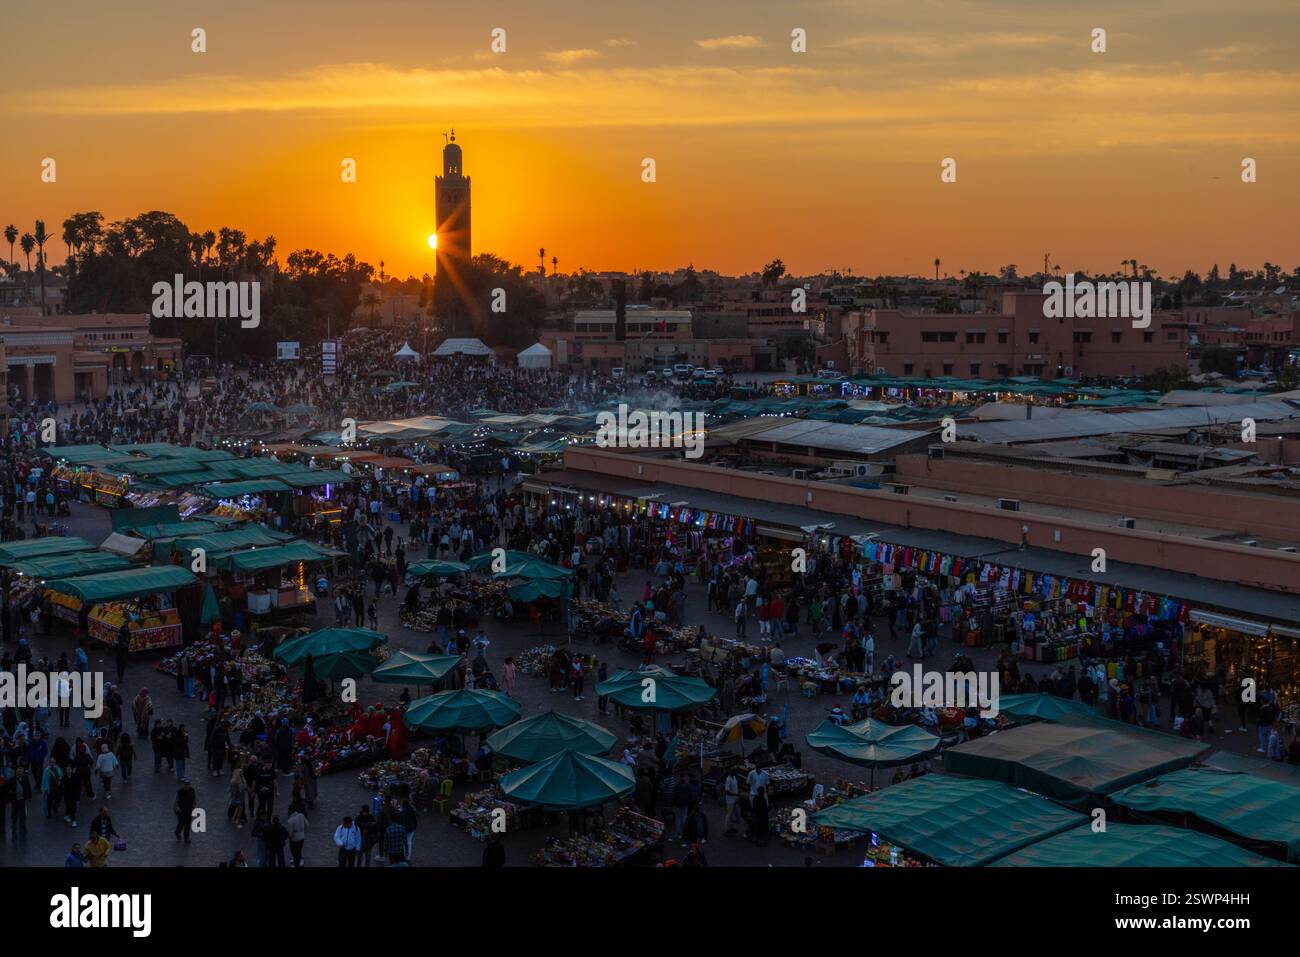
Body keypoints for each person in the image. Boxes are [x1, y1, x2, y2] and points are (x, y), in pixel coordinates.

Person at [174, 778, 197, 843]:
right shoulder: (179, 792)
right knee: (181, 823)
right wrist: (177, 808)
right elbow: (175, 801)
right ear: (183, 785)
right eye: (185, 785)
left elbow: (194, 798)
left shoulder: (192, 790)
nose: (186, 786)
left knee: (187, 824)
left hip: (189, 810)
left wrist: (194, 806)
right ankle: (177, 832)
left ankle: (186, 838)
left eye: (188, 785)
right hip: (181, 811)